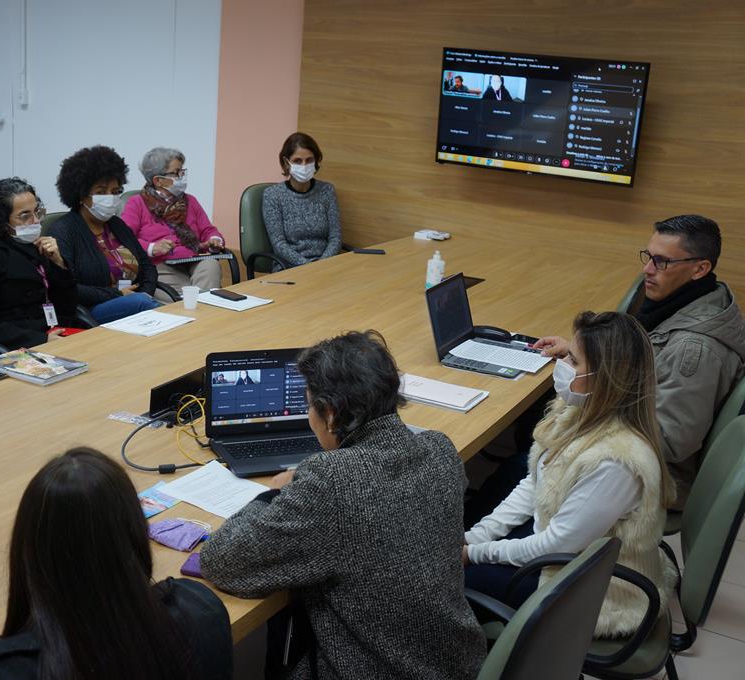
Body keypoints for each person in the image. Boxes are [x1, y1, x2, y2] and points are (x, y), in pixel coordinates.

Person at [200, 331, 485, 680]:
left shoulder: (331, 480)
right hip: (457, 664)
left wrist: (274, 493)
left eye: (308, 406)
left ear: (331, 414)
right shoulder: (440, 449)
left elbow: (222, 561)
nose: (308, 416)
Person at [0, 447, 232, 680]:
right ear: (134, 534)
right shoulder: (201, 607)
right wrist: (9, 649)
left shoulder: (4, 673)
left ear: (30, 553)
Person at [466, 311, 677, 637]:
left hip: (586, 591)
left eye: (573, 361)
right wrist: (475, 538)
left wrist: (475, 555)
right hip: (564, 552)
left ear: (605, 378)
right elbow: (535, 484)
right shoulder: (580, 411)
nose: (563, 366)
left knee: (450, 584)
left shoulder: (616, 463)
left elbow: (556, 545)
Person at [536, 216, 745, 508]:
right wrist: (581, 355)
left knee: (521, 467)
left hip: (649, 476)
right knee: (535, 430)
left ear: (700, 269)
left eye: (662, 262)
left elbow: (669, 441)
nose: (647, 269)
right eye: (648, 257)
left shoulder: (695, 350)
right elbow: (644, 361)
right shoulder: (691, 299)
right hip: (627, 451)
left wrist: (593, 398)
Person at [0, 178, 79, 350]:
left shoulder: (37, 246)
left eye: (37, 212)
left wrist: (59, 264)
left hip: (54, 333)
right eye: (25, 216)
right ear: (2, 221)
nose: (36, 220)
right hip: (14, 346)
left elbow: (68, 307)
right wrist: (41, 340)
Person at [47, 146, 162, 324]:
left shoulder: (116, 224)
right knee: (144, 306)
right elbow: (68, 288)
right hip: (89, 311)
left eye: (115, 192)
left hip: (136, 302)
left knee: (147, 303)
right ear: (81, 195)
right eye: (101, 192)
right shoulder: (63, 231)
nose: (110, 197)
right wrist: (117, 295)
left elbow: (147, 266)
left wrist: (146, 291)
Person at [121, 147, 226, 291]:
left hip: (192, 258)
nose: (182, 176)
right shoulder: (136, 203)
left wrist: (215, 240)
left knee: (211, 265)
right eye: (176, 173)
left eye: (182, 171)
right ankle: (197, 307)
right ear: (158, 180)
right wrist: (152, 248)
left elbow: (208, 230)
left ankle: (204, 307)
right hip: (160, 263)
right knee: (184, 292)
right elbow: (125, 240)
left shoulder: (190, 201)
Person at [262, 132, 343, 269]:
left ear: (316, 161)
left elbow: (335, 238)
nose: (304, 165)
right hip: (289, 267)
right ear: (286, 163)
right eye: (297, 161)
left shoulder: (327, 191)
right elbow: (279, 244)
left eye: (309, 160)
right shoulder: (273, 195)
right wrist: (307, 266)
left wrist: (322, 264)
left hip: (326, 266)